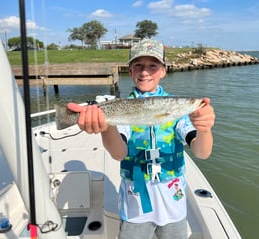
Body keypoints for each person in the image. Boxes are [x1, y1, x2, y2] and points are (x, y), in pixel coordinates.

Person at [67, 39, 215, 239]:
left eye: (153, 66)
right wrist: (106, 126)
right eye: (139, 66)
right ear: (130, 72)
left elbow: (202, 152)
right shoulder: (123, 107)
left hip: (173, 200)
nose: (145, 72)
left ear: (163, 70)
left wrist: (204, 129)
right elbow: (119, 153)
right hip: (135, 202)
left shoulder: (176, 109)